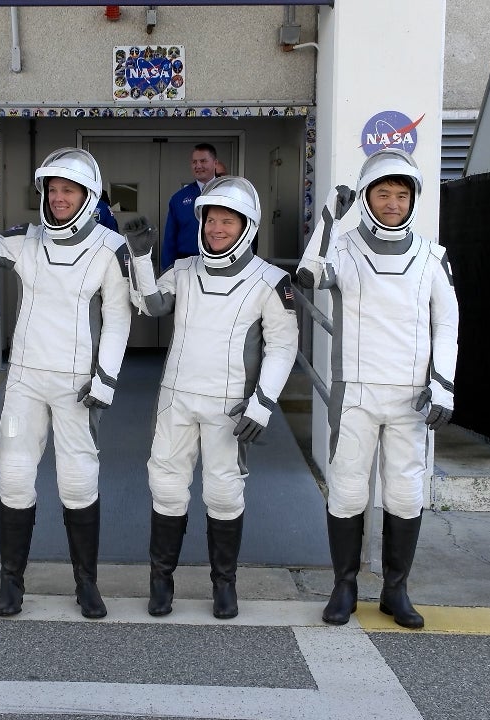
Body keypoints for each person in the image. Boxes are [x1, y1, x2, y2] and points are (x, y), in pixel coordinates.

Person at [0, 149, 133, 619]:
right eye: (51, 190)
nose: (56, 198)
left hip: (77, 387)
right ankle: (10, 584)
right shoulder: (26, 240)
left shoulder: (110, 248)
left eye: (66, 190)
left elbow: (117, 318)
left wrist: (106, 379)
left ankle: (87, 585)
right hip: (24, 386)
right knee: (14, 478)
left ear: (88, 195)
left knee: (78, 483)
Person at [295, 148, 459, 630]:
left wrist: (444, 385)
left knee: (406, 494)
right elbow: (308, 275)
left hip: (412, 396)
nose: (391, 202)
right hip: (356, 394)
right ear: (366, 197)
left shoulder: (433, 256)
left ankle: (395, 590)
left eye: (400, 194)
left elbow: (447, 324)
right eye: (382, 193)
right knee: (347, 492)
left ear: (413, 200)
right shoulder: (342, 248)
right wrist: (328, 217)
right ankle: (343, 587)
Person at [124, 176, 298, 619]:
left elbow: (283, 346)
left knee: (223, 494)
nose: (217, 229)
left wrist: (263, 402)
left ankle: (224, 585)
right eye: (211, 220)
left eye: (228, 221)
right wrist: (141, 257)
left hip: (230, 407)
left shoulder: (271, 281)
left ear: (247, 226)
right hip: (176, 400)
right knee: (166, 489)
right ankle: (161, 583)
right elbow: (150, 307)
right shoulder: (183, 269)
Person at [160, 143, 219, 270]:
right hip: (186, 266)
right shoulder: (179, 198)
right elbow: (170, 239)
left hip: (221, 263)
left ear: (215, 163)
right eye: (194, 162)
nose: (198, 166)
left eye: (203, 161)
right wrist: (167, 270)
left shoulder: (230, 192)